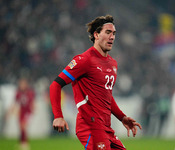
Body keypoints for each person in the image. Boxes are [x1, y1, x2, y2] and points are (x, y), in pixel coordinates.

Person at [50, 15, 142, 150]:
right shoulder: (84, 60)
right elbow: (55, 85)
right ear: (96, 35)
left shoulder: (113, 64)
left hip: (106, 127)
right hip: (90, 126)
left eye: (114, 33)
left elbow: (107, 96)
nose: (112, 37)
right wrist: (58, 116)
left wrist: (122, 117)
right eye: (108, 32)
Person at [6, 78, 35, 150]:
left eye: (23, 84)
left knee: (23, 127)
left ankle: (25, 144)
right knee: (21, 128)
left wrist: (33, 109)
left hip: (27, 112)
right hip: (21, 112)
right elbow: (15, 103)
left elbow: (32, 102)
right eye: (21, 84)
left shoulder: (29, 92)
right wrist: (9, 112)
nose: (22, 85)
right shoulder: (18, 93)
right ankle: (22, 143)